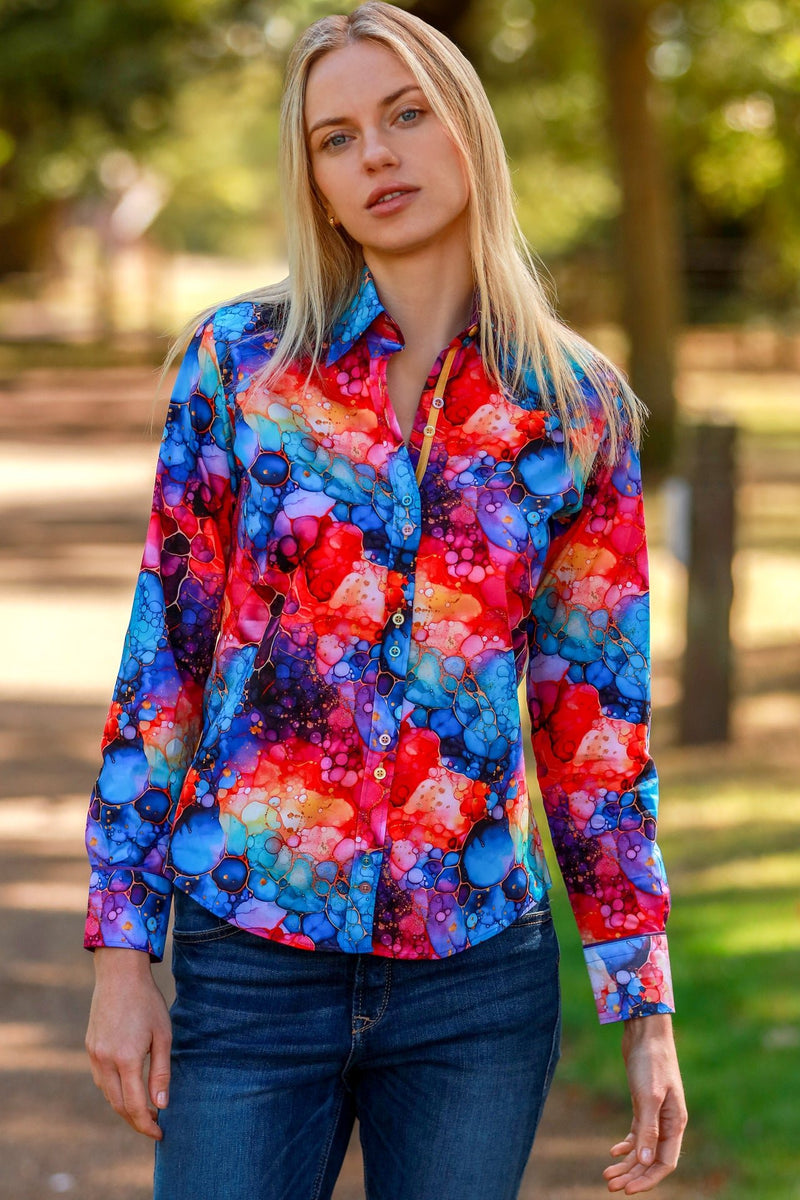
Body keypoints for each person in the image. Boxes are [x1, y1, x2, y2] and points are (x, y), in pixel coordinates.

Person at [83, 4, 687, 1198]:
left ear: (467, 128)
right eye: (336, 137)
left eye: (405, 114)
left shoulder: (574, 408)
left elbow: (592, 730)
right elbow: (166, 665)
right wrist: (119, 953)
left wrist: (643, 1003)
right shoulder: (240, 368)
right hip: (252, 951)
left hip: (475, 978)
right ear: (313, 181)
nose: (375, 155)